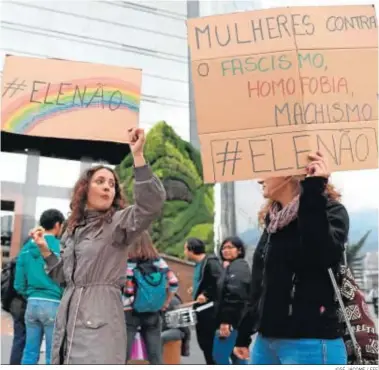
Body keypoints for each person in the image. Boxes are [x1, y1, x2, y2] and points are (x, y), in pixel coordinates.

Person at [28, 128, 166, 365]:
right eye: (100, 181)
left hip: (100, 321)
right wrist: (44, 249)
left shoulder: (118, 223)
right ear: (85, 189)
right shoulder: (73, 230)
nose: (107, 187)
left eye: (111, 184)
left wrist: (139, 157)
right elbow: (64, 276)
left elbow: (150, 206)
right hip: (68, 320)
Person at [233, 152, 349, 365]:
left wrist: (313, 189)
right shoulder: (273, 223)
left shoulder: (331, 212)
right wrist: (244, 332)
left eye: (265, 172)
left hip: (311, 341)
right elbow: (261, 284)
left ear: (288, 174)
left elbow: (323, 254)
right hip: (266, 341)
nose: (259, 179)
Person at [14, 209, 65, 364]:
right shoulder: (61, 246)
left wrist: (27, 293)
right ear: (57, 225)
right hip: (54, 303)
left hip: (32, 303)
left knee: (29, 351)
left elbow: (18, 281)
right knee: (52, 355)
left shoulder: (28, 247)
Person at [123, 231, 179, 365]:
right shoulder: (159, 262)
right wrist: (166, 302)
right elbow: (174, 282)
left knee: (122, 354)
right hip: (153, 311)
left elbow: (127, 288)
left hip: (129, 312)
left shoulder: (127, 262)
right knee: (155, 355)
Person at [213, 236, 250, 365]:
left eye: (230, 247)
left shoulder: (239, 267)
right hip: (237, 321)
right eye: (223, 248)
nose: (225, 250)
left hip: (233, 321)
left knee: (220, 355)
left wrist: (226, 321)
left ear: (239, 250)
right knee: (237, 356)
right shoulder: (232, 267)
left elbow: (235, 294)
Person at [184, 237, 222, 365]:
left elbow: (219, 283)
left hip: (209, 311)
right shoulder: (199, 264)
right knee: (204, 344)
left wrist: (206, 294)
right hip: (201, 310)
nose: (184, 252)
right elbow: (206, 282)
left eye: (185, 248)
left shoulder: (211, 263)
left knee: (210, 345)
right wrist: (195, 288)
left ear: (191, 250)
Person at [1, 255, 26, 364]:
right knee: (30, 344)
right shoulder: (34, 259)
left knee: (19, 339)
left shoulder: (17, 259)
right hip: (25, 303)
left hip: (15, 304)